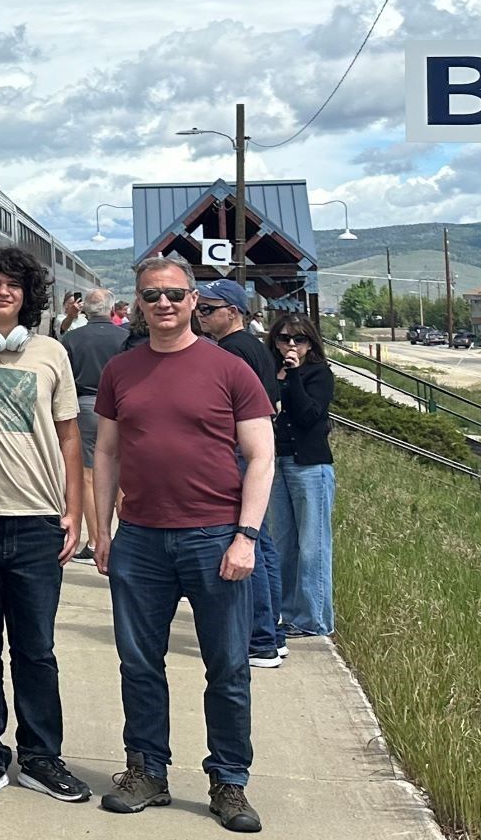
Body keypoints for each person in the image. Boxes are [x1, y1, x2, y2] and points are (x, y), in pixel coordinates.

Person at [93, 257, 274, 833]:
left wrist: (246, 536)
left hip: (214, 537)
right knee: (139, 663)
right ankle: (147, 771)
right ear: (138, 304)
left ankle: (229, 782)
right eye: (151, 296)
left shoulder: (230, 369)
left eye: (174, 294)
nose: (163, 304)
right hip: (140, 539)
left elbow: (261, 457)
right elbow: (106, 453)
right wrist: (102, 529)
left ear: (193, 300)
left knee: (228, 667)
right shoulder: (121, 370)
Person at [0, 244, 90, 804]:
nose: (4, 291)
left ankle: (40, 756)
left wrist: (74, 511)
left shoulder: (51, 353)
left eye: (14, 284)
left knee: (36, 650)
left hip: (37, 521)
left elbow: (69, 437)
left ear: (28, 295)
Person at [193, 279, 286, 669]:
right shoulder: (256, 347)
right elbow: (274, 403)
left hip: (239, 452)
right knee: (262, 545)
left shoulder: (230, 351)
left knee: (247, 544)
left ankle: (260, 639)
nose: (200, 315)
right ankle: (273, 634)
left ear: (232, 312)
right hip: (255, 450)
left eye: (207, 309)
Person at [263, 315, 335, 639]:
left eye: (299, 339)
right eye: (283, 338)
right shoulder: (269, 373)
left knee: (312, 545)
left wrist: (293, 375)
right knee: (283, 544)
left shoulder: (319, 374)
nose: (291, 345)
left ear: (310, 343)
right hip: (278, 463)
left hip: (310, 466)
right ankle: (288, 613)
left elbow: (309, 415)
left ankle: (314, 619)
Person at [62, 287, 128, 564]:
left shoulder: (71, 339)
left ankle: (94, 541)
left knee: (88, 475)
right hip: (122, 407)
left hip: (86, 407)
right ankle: (125, 536)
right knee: (123, 473)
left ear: (84, 310)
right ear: (112, 309)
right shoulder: (125, 337)